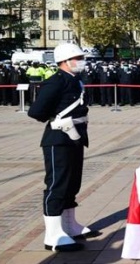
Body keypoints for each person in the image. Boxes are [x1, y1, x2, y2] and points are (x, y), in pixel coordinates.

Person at [28, 43, 101, 252]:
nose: (82, 62)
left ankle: (70, 226)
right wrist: (57, 120)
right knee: (57, 185)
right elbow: (36, 111)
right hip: (58, 138)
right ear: (65, 61)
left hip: (75, 136)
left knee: (72, 183)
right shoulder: (56, 81)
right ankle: (53, 235)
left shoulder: (75, 80)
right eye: (78, 58)